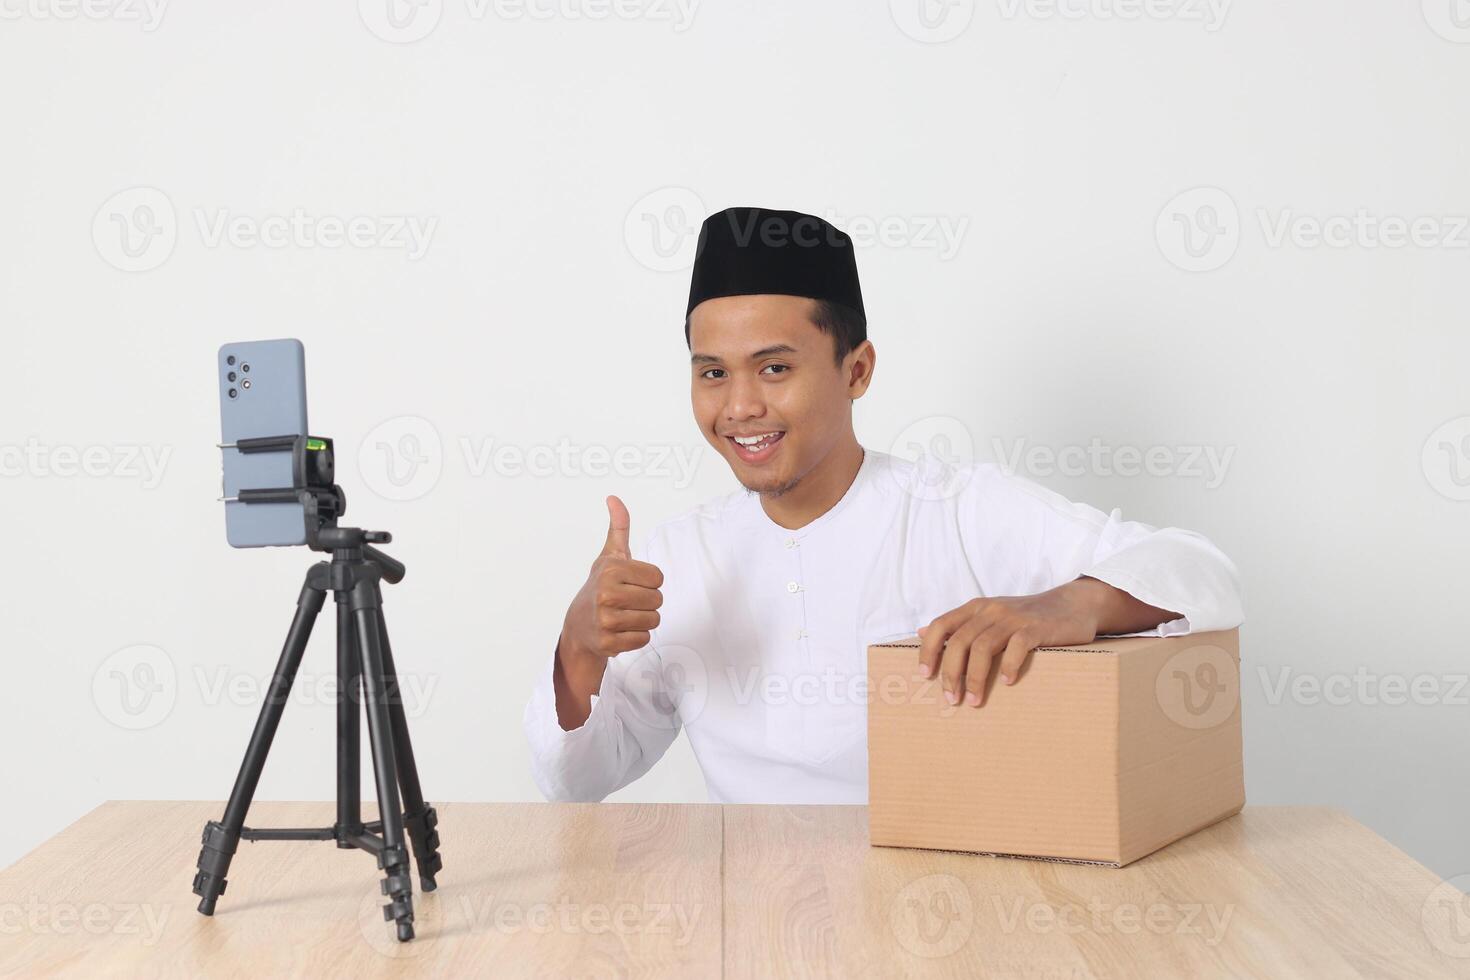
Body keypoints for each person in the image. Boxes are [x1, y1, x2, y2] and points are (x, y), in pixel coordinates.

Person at [523, 206, 1243, 804]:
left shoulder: (957, 509)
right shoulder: (679, 556)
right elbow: (574, 785)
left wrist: (1072, 605)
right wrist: (579, 649)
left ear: (856, 370)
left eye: (775, 368)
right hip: (751, 916)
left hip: (945, 910)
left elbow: (1205, 573)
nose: (740, 406)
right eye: (713, 373)